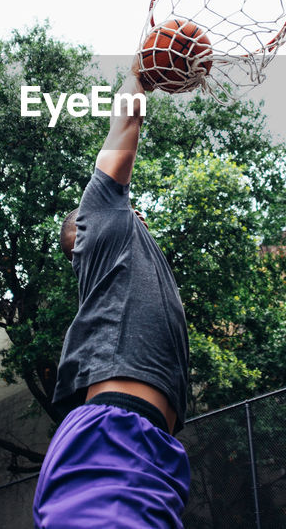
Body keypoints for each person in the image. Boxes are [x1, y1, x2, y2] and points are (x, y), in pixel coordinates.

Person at [32, 67, 191, 528]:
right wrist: (140, 73)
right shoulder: (102, 220)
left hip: (153, 444)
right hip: (114, 428)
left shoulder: (134, 255)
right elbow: (124, 125)